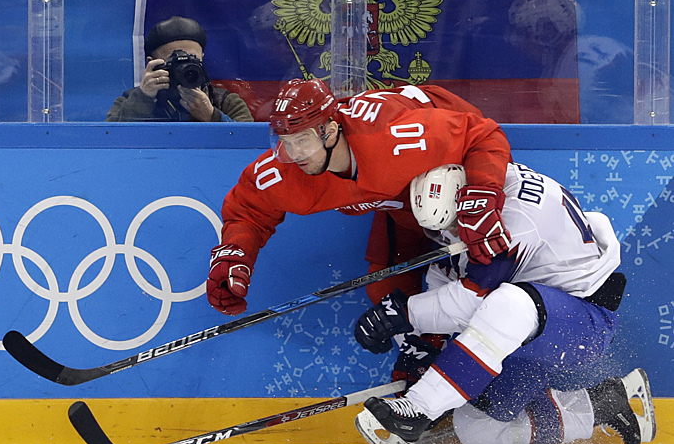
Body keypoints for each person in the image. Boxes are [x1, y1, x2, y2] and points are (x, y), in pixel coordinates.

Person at [352, 163, 656, 444]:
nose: (451, 235)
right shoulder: (478, 198)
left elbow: (471, 299)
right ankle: (605, 403)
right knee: (478, 431)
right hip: (525, 332)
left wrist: (403, 315)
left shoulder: (517, 220)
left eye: (454, 225)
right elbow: (444, 283)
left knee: (509, 302)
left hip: (582, 326)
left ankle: (420, 407)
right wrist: (417, 350)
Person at [206, 78, 513, 316]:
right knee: (386, 290)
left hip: (449, 162)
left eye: (302, 140)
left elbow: (482, 134)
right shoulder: (288, 169)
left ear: (331, 131)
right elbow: (248, 210)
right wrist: (235, 254)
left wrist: (480, 197)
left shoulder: (394, 140)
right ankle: (419, 356)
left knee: (480, 266)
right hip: (397, 198)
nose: (293, 153)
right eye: (285, 141)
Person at [106, 16, 254, 123]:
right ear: (152, 63)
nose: (184, 66)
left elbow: (251, 145)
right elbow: (111, 139)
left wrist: (212, 116)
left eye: (192, 58)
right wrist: (143, 99)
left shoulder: (225, 102)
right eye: (174, 59)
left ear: (202, 58)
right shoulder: (130, 100)